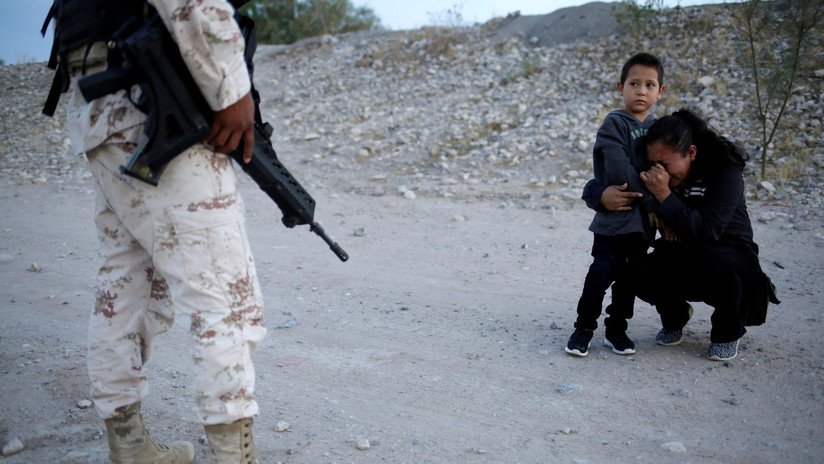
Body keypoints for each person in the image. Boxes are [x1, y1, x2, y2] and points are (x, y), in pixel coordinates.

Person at [43, 0, 266, 462]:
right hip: (150, 93)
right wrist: (232, 87)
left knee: (127, 282)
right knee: (225, 294)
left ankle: (129, 446)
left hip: (102, 98)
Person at [631, 108, 779, 361]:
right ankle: (675, 316)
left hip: (731, 254)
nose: (659, 173)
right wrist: (656, 208)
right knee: (638, 268)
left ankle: (727, 332)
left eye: (665, 164)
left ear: (691, 152)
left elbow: (708, 232)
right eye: (653, 164)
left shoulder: (725, 171)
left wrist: (665, 197)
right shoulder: (661, 177)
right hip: (687, 252)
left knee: (718, 262)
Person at [564, 52, 666, 357]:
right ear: (620, 87)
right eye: (634, 83)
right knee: (600, 273)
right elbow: (621, 170)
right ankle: (583, 328)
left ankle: (617, 330)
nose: (641, 91)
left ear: (660, 91)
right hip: (613, 221)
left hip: (641, 228)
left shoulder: (661, 128)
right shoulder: (614, 124)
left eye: (650, 85)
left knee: (628, 280)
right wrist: (652, 202)